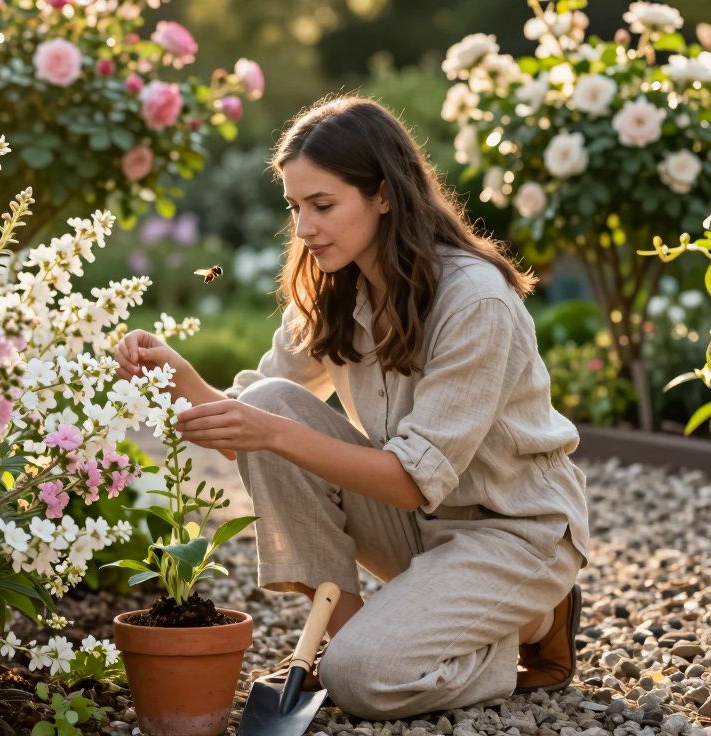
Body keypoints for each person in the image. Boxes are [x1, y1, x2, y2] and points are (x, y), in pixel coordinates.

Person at [111, 96, 590, 721]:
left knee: (362, 682)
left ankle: (531, 624)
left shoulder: (474, 301)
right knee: (270, 402)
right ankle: (351, 639)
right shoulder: (333, 289)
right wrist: (182, 376)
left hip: (513, 531)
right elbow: (251, 427)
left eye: (323, 205)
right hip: (421, 532)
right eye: (295, 207)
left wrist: (272, 433)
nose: (304, 228)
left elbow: (411, 480)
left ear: (384, 195)